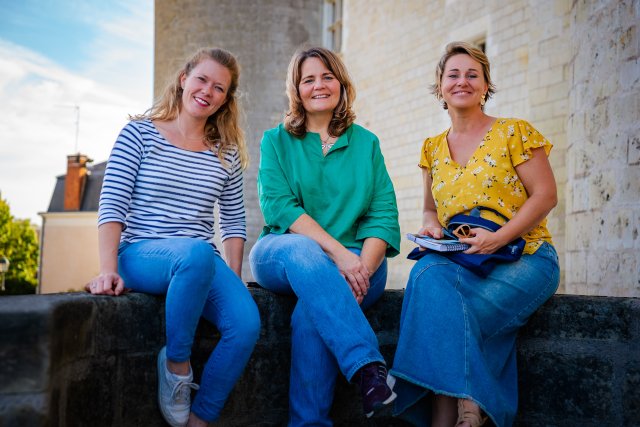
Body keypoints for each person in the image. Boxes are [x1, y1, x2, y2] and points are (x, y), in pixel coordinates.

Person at [85, 47, 260, 427]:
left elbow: (232, 221)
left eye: (219, 88)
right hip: (140, 253)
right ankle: (177, 365)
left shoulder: (225, 153)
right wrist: (106, 268)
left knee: (246, 323)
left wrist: (232, 275)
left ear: (225, 99)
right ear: (184, 78)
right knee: (194, 254)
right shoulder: (139, 133)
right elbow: (112, 202)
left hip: (200, 260)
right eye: (202, 79)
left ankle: (200, 418)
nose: (207, 91)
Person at [390, 41, 560, 427]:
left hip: (525, 255)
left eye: (472, 75)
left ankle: (462, 407)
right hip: (465, 260)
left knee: (439, 324)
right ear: (440, 86)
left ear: (486, 85)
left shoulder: (515, 132)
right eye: (453, 74)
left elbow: (545, 195)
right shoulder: (432, 149)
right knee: (424, 272)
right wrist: (431, 225)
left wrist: (499, 238)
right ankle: (468, 409)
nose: (462, 81)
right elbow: (431, 208)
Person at [249, 46, 401, 426]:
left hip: (359, 260)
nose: (319, 86)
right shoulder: (276, 140)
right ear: (296, 90)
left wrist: (362, 267)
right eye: (308, 79)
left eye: (327, 77)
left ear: (341, 83)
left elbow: (382, 215)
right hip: (283, 252)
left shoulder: (366, 143)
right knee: (304, 252)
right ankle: (368, 366)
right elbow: (281, 209)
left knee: (310, 315)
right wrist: (340, 255)